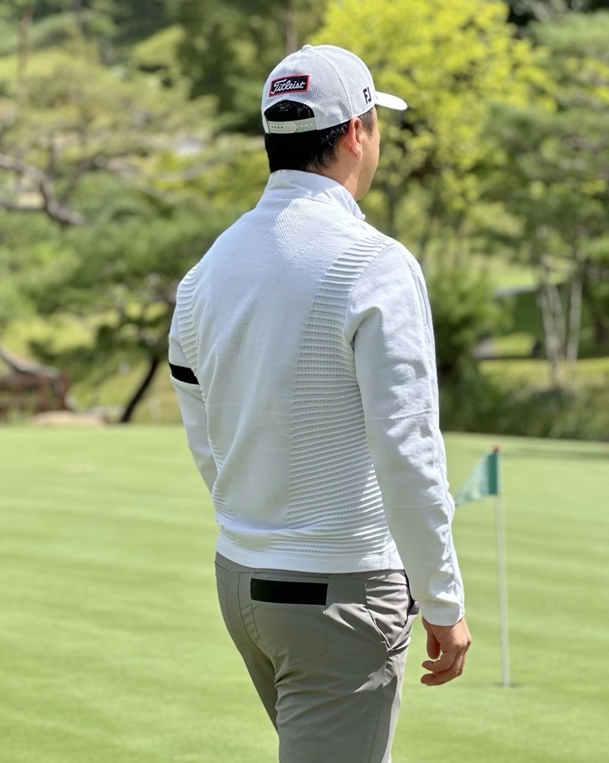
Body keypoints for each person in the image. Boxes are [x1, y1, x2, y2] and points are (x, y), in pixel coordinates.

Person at [169, 44, 471, 763]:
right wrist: (442, 599)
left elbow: (207, 438)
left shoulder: (206, 271)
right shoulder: (377, 264)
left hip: (242, 585)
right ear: (357, 132)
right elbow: (406, 448)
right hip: (342, 590)